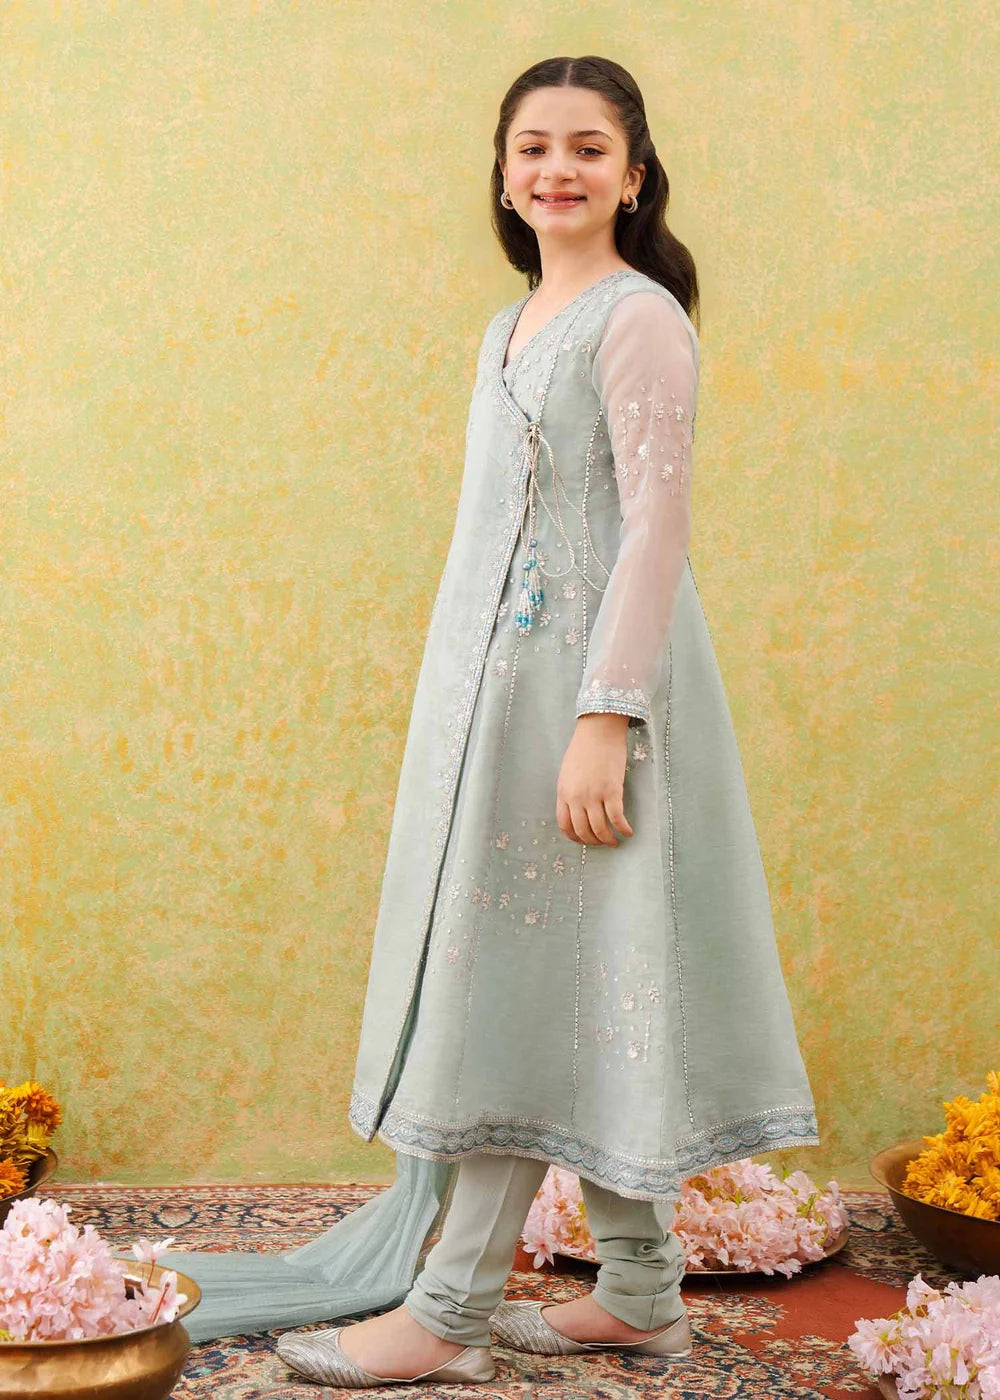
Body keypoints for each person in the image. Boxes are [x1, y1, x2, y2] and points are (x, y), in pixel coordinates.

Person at [161, 55, 820, 1387]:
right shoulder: (509, 325)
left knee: (530, 987)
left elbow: (656, 532)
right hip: (497, 708)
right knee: (576, 981)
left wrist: (605, 718)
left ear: (635, 176)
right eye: (533, 148)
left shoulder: (640, 320)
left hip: (592, 705)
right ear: (504, 177)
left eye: (587, 147)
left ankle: (449, 1313)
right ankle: (641, 1294)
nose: (557, 169)